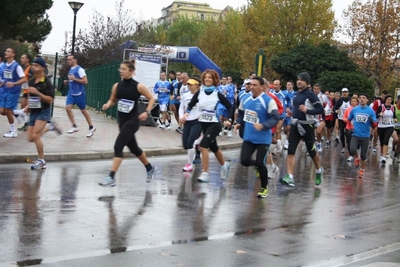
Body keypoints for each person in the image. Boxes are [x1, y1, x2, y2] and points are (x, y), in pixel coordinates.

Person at [99, 59, 158, 187]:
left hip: (133, 120)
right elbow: (112, 100)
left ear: (131, 71)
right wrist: (107, 105)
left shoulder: (138, 86)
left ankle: (111, 177)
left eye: (124, 69)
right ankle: (149, 168)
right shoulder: (117, 86)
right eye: (120, 69)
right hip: (122, 121)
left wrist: (146, 112)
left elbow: (152, 98)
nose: (121, 71)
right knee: (134, 148)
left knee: (118, 146)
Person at [183, 69, 232, 183]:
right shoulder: (199, 92)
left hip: (214, 124)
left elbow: (229, 106)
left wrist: (229, 119)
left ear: (214, 80)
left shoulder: (217, 94)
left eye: (210, 77)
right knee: (214, 148)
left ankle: (205, 173)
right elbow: (191, 103)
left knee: (203, 146)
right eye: (205, 77)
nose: (207, 79)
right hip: (203, 124)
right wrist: (187, 112)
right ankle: (224, 165)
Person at [236, 76, 279, 197]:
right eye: (251, 85)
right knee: (244, 161)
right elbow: (241, 112)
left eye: (255, 85)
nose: (252, 87)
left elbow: (275, 118)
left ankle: (264, 188)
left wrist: (263, 125)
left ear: (262, 87)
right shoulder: (245, 99)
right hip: (249, 137)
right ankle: (257, 166)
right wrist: (238, 122)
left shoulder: (268, 101)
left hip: (263, 139)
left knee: (261, 162)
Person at [280, 72, 324, 187]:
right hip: (295, 125)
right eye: (298, 79)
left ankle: (319, 170)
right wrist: (292, 113)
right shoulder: (296, 94)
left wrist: (307, 111)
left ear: (307, 83)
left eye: (302, 80)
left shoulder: (311, 95)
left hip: (307, 127)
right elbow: (297, 108)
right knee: (291, 150)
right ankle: (290, 176)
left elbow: (320, 110)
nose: (299, 81)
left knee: (312, 152)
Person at [25, 57, 55, 169]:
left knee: (36, 134)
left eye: (36, 65)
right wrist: (28, 106)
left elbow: (50, 99)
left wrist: (38, 93)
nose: (33, 67)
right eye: (33, 65)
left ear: (42, 67)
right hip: (33, 111)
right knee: (30, 138)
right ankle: (49, 128)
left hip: (43, 110)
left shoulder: (46, 82)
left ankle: (41, 160)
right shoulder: (31, 81)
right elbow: (29, 95)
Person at [64, 54, 96, 137]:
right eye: (67, 59)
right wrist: (68, 82)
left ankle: (91, 127)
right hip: (71, 93)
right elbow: (72, 80)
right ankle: (74, 126)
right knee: (67, 108)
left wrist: (74, 79)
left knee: (83, 111)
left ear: (75, 60)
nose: (68, 61)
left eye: (70, 59)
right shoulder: (71, 69)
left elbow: (85, 81)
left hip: (79, 94)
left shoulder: (80, 69)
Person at [347, 93, 377, 178]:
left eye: (364, 98)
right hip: (355, 134)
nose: (362, 99)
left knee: (363, 155)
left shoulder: (371, 111)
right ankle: (356, 158)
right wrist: (349, 128)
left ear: (367, 100)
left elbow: (375, 123)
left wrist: (372, 121)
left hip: (365, 136)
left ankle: (362, 169)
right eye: (360, 98)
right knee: (352, 150)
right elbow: (349, 119)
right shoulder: (354, 109)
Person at [0, 48, 27, 138]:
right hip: (4, 91)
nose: (6, 52)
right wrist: (2, 83)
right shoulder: (3, 65)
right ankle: (19, 112)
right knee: (2, 111)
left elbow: (24, 79)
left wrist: (14, 83)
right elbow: (3, 78)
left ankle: (13, 131)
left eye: (8, 51)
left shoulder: (16, 66)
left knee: (8, 111)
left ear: (13, 54)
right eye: (6, 51)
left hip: (13, 91)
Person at [179, 77, 202, 172]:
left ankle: (190, 164)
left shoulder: (202, 95)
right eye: (188, 84)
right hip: (187, 121)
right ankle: (200, 140)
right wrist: (181, 117)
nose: (189, 86)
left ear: (197, 85)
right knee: (185, 144)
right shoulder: (185, 95)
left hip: (198, 121)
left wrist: (201, 115)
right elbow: (181, 108)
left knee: (190, 142)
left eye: (191, 84)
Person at [270, 79, 290, 154]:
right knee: (274, 132)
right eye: (274, 84)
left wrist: (287, 108)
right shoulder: (271, 93)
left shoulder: (284, 94)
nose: (275, 86)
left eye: (277, 85)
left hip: (281, 114)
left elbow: (289, 101)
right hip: (272, 114)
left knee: (278, 130)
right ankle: (279, 145)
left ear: (280, 86)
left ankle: (278, 149)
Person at [376, 95, 395, 164]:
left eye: (390, 99)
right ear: (385, 100)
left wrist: (395, 119)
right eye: (388, 99)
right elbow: (376, 115)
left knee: (386, 140)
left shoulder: (393, 107)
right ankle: (381, 154)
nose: (389, 101)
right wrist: (379, 114)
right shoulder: (381, 107)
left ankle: (384, 156)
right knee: (381, 141)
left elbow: (394, 116)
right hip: (381, 126)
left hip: (390, 126)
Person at [313, 83, 329, 152]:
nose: (316, 90)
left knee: (318, 132)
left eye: (317, 89)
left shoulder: (323, 97)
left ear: (320, 89)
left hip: (320, 117)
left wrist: (325, 110)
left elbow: (328, 104)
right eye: (315, 89)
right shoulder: (311, 96)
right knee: (311, 133)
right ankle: (312, 146)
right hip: (312, 116)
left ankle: (319, 144)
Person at [334, 88, 351, 153]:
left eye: (346, 92)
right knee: (341, 133)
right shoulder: (339, 100)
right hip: (341, 119)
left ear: (348, 93)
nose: (345, 93)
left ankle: (348, 145)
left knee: (348, 133)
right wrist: (336, 111)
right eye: (343, 92)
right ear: (342, 93)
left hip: (349, 119)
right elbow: (334, 109)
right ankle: (343, 147)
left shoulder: (350, 100)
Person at [342, 96, 359, 161]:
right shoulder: (348, 109)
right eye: (352, 101)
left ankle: (356, 153)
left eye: (354, 101)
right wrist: (347, 120)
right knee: (349, 141)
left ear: (357, 102)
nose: (353, 102)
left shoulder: (359, 109)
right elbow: (344, 118)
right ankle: (351, 155)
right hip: (349, 127)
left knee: (356, 142)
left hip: (357, 129)